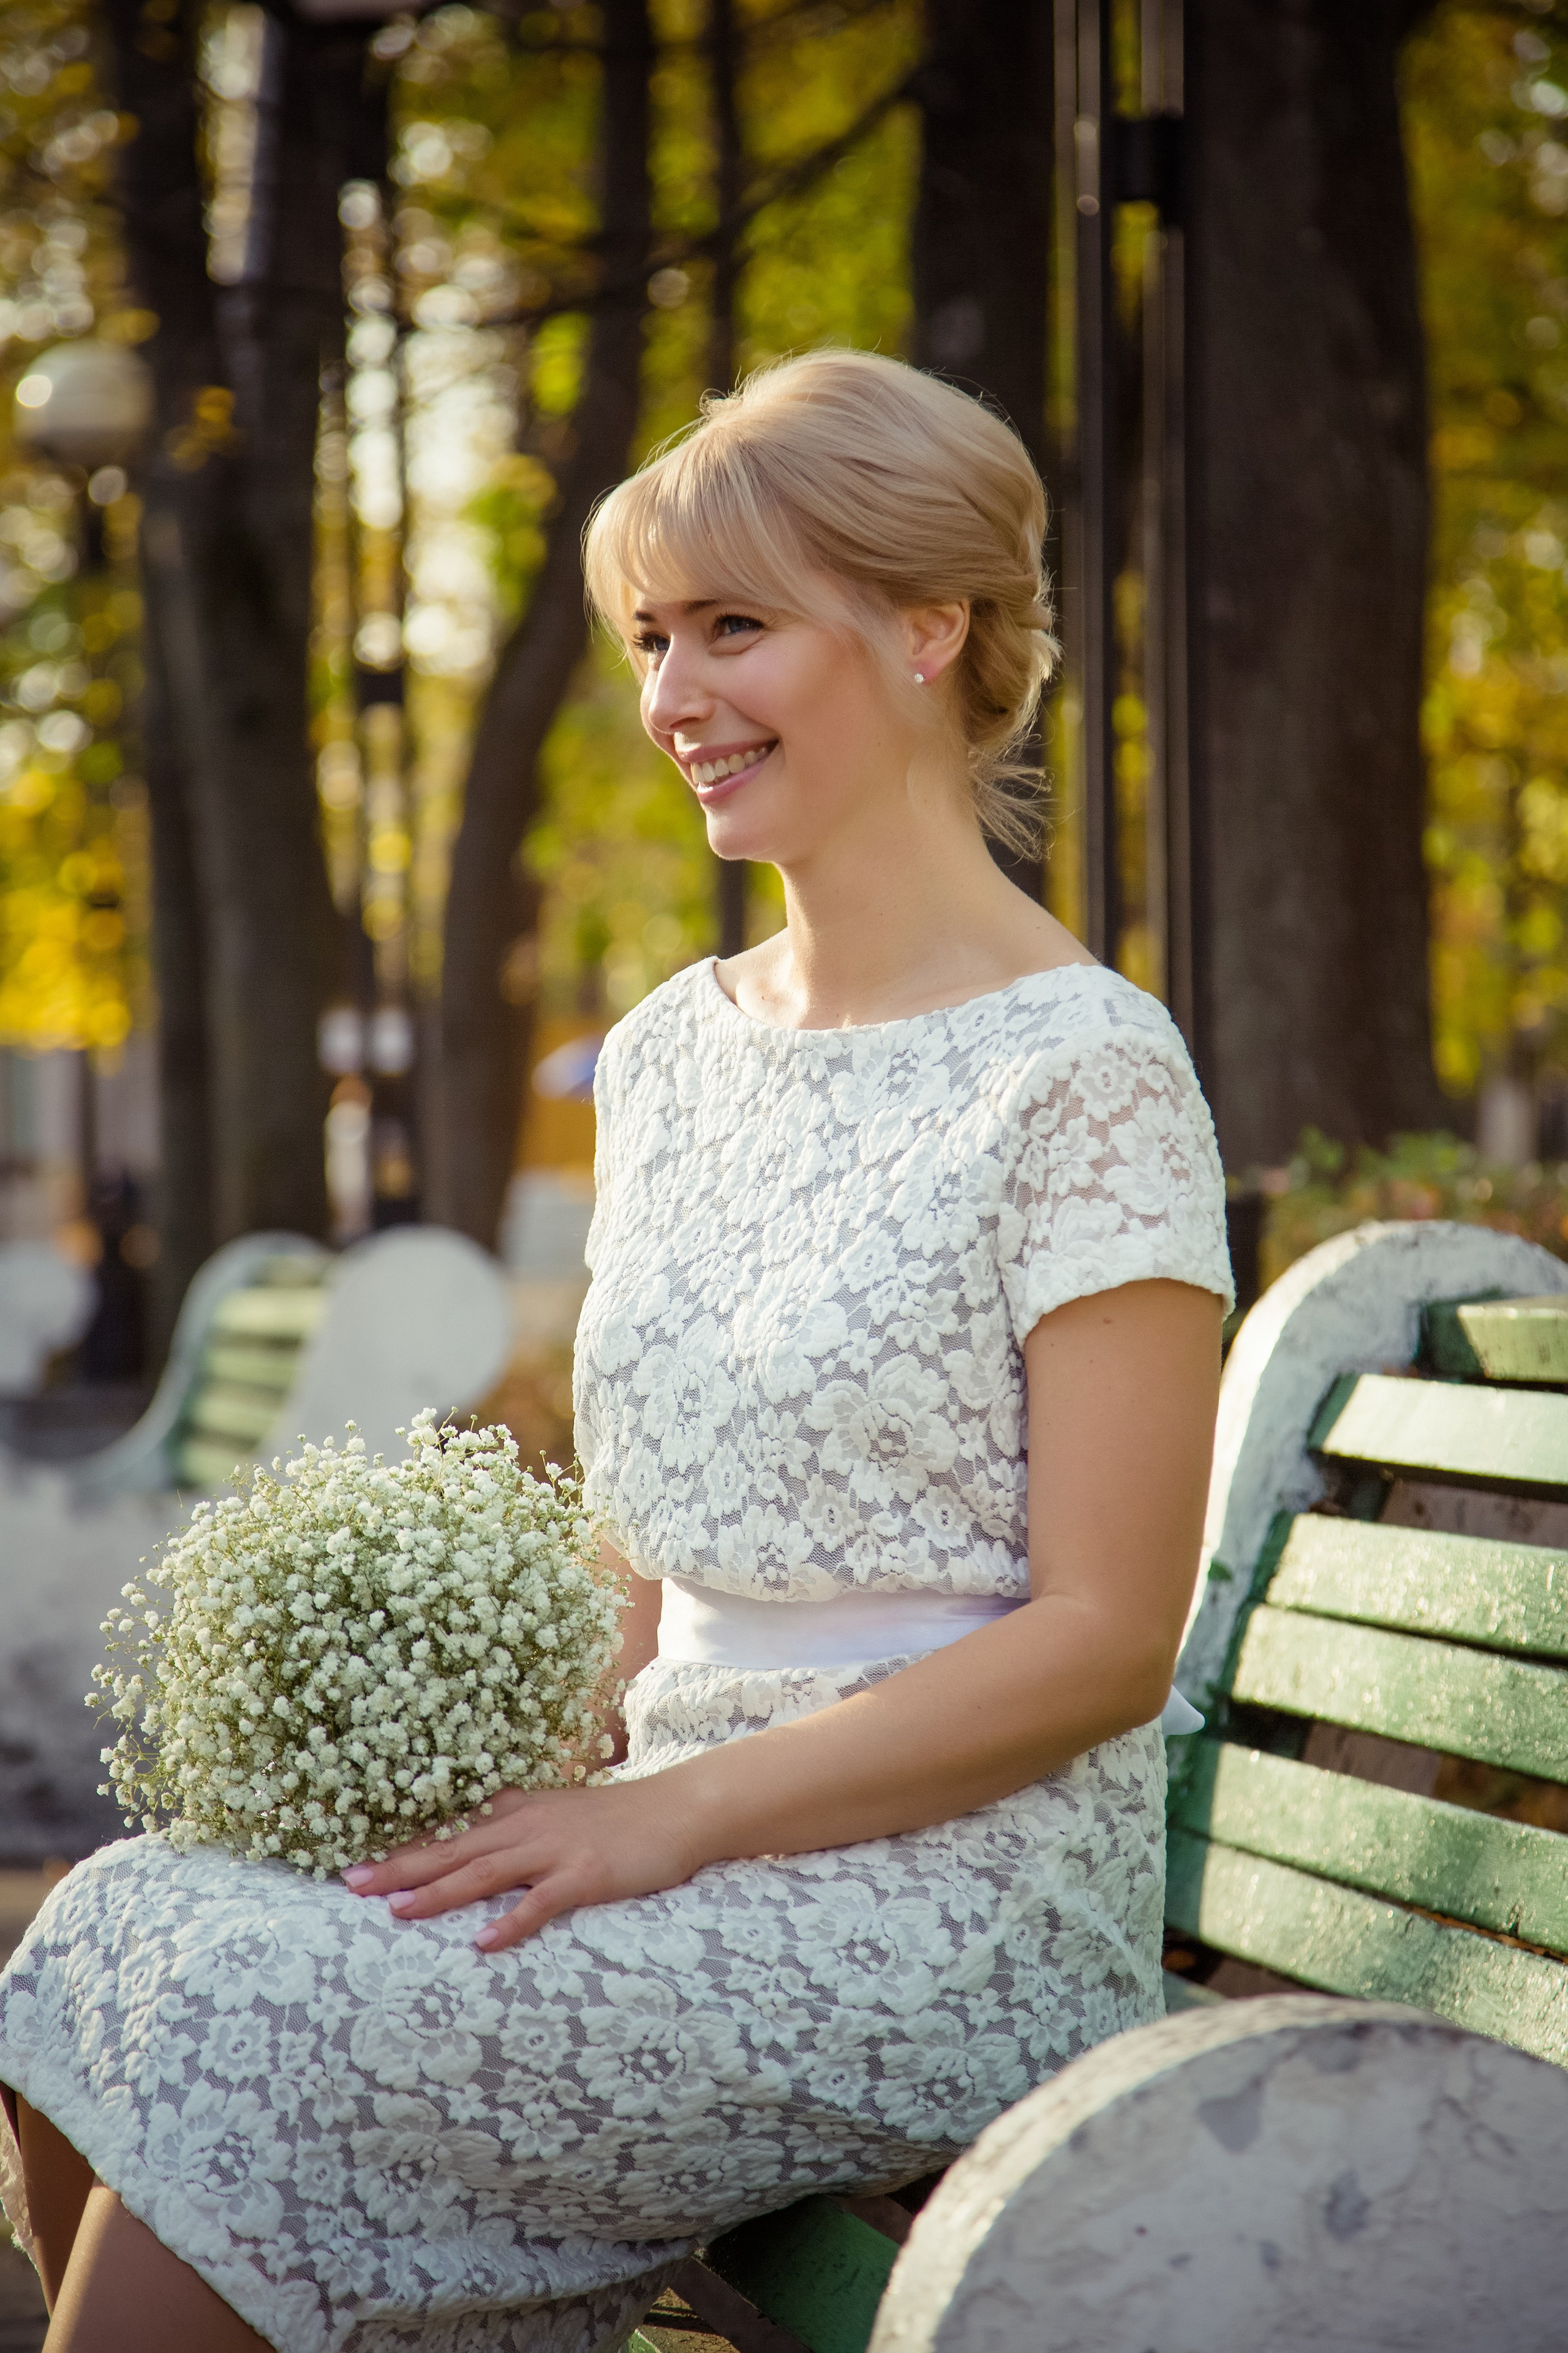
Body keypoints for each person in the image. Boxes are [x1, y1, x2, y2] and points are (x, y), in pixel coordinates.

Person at [0, 348, 1232, 2352]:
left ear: (931, 628)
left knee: (249, 2020)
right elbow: (650, 1556)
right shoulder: (667, 1057)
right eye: (656, 637)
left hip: (953, 1911)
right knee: (122, 1927)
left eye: (737, 629)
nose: (673, 700)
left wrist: (655, 1821)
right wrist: (509, 1777)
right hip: (675, 1839)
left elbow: (1104, 1634)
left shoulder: (1085, 1074)